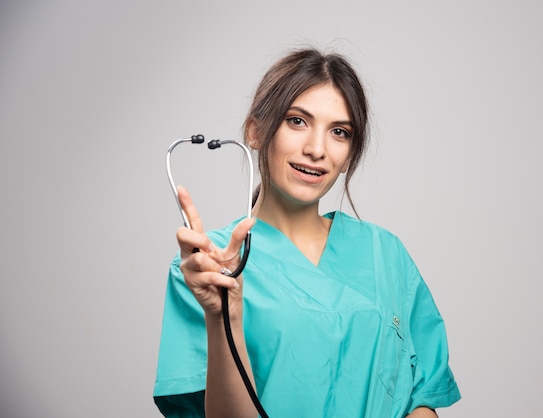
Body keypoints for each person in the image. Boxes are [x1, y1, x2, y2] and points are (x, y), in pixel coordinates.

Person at [154, 47, 461, 418]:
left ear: (349, 153)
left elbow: (421, 395)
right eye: (297, 121)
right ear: (255, 130)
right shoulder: (208, 266)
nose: (316, 149)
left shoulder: (385, 253)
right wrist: (225, 317)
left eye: (339, 132)